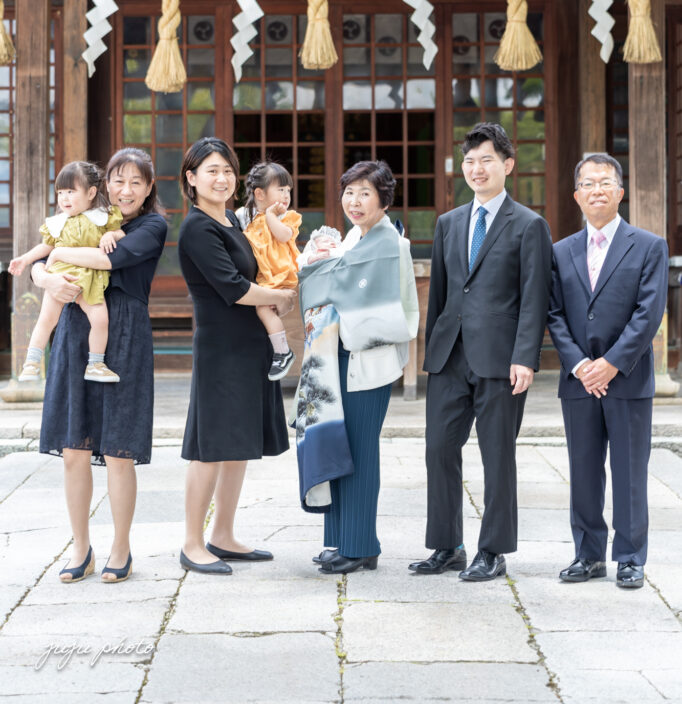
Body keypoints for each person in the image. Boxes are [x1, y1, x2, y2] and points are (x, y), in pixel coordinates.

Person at [411, 122, 552, 580]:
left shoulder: (529, 225)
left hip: (501, 360)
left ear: (507, 165)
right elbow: (442, 294)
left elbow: (534, 297)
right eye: (469, 161)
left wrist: (526, 357)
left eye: (486, 160)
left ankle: (492, 550)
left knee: (498, 455)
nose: (476, 169)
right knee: (438, 450)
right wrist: (432, 350)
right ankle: (446, 544)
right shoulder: (449, 223)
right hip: (450, 357)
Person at [35, 147, 167, 584]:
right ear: (104, 184)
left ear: (149, 188)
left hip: (125, 333)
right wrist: (46, 273)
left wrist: (54, 261)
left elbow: (112, 260)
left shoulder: (152, 225)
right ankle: (80, 548)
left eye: (135, 182)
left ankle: (121, 547)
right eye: (117, 180)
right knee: (73, 449)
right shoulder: (85, 216)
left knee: (117, 451)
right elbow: (40, 255)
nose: (125, 189)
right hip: (77, 328)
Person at [547, 153, 668, 590]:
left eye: (605, 182)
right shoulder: (560, 252)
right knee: (582, 469)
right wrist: (581, 365)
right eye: (588, 184)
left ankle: (631, 557)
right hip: (579, 380)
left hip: (628, 378)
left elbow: (648, 313)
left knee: (630, 471)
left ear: (620, 192)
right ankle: (588, 554)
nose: (597, 190)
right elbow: (553, 313)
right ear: (577, 195)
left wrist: (612, 363)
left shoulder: (649, 246)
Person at [177, 137, 297, 576]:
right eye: (211, 170)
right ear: (191, 179)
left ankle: (223, 534)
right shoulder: (196, 228)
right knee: (210, 447)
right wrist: (280, 298)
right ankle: (192, 542)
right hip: (221, 349)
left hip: (248, 347)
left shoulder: (230, 219)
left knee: (236, 445)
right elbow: (234, 286)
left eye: (227, 170)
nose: (222, 178)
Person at [296, 160, 419, 575]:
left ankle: (362, 546)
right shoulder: (353, 237)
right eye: (349, 192)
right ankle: (340, 539)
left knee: (362, 453)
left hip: (367, 359)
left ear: (384, 198)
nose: (355, 200)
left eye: (365, 193)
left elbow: (379, 305)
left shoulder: (390, 243)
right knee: (338, 446)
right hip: (338, 358)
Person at [10, 160, 124, 383]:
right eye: (60, 192)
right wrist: (25, 259)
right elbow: (46, 247)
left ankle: (96, 364)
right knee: (46, 319)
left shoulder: (103, 217)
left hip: (90, 279)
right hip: (59, 277)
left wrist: (112, 235)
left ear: (91, 192)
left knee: (100, 319)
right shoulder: (58, 222)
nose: (64, 198)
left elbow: (120, 233)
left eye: (71, 191)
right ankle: (32, 361)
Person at [237, 161, 302, 381]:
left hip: (278, 274)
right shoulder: (245, 216)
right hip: (261, 275)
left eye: (288, 191)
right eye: (280, 189)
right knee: (261, 311)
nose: (286, 196)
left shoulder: (285, 217)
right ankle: (278, 350)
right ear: (259, 193)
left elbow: (284, 236)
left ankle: (283, 352)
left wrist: (272, 216)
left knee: (264, 309)